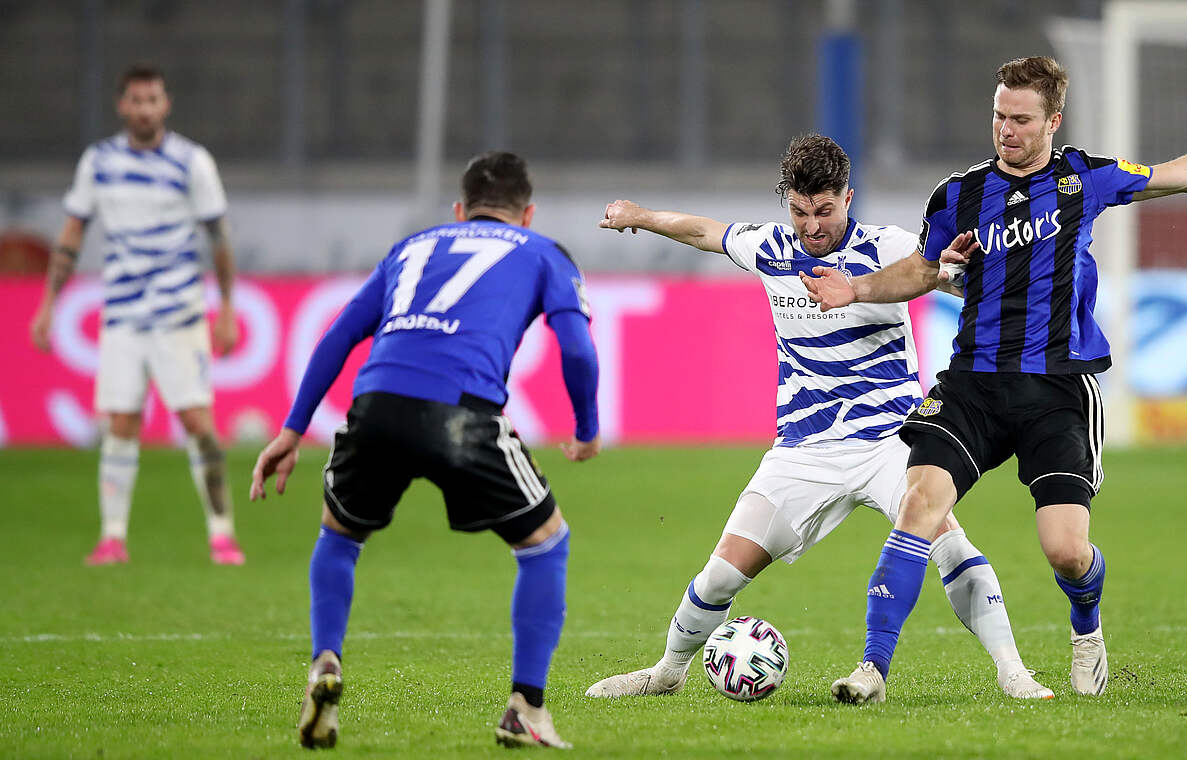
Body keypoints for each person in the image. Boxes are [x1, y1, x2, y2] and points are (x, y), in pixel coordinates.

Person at [804, 56, 1187, 700]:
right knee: (920, 503)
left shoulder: (1086, 178)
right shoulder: (956, 195)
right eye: (999, 116)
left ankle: (1086, 627)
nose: (1006, 130)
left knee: (1064, 549)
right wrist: (855, 289)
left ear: (1053, 120)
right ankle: (873, 670)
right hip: (974, 381)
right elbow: (923, 270)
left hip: (1057, 389)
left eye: (1021, 119)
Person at [587, 134, 1053, 703]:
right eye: (801, 211)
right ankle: (666, 673)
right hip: (802, 449)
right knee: (720, 576)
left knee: (950, 545)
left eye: (825, 211)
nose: (813, 226)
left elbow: (952, 277)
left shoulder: (889, 248)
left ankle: (1013, 672)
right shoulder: (770, 247)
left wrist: (962, 275)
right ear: (788, 203)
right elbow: (703, 231)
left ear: (848, 198)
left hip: (892, 441)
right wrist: (641, 216)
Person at [250, 151, 599, 750]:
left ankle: (324, 664)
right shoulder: (543, 252)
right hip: (462, 412)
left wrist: (292, 427)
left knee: (339, 535)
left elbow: (340, 333)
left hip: (376, 403)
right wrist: (587, 425)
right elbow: (576, 349)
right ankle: (526, 708)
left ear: (460, 210)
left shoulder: (412, 247)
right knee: (546, 544)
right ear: (528, 213)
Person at [28, 63, 245, 566]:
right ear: (122, 105)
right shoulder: (98, 162)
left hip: (178, 312)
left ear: (165, 104)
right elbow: (72, 234)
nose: (145, 109)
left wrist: (228, 306)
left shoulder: (192, 162)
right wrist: (47, 303)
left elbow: (219, 238)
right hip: (122, 314)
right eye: (136, 100)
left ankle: (221, 534)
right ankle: (112, 538)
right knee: (121, 421)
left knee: (197, 420)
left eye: (153, 100)